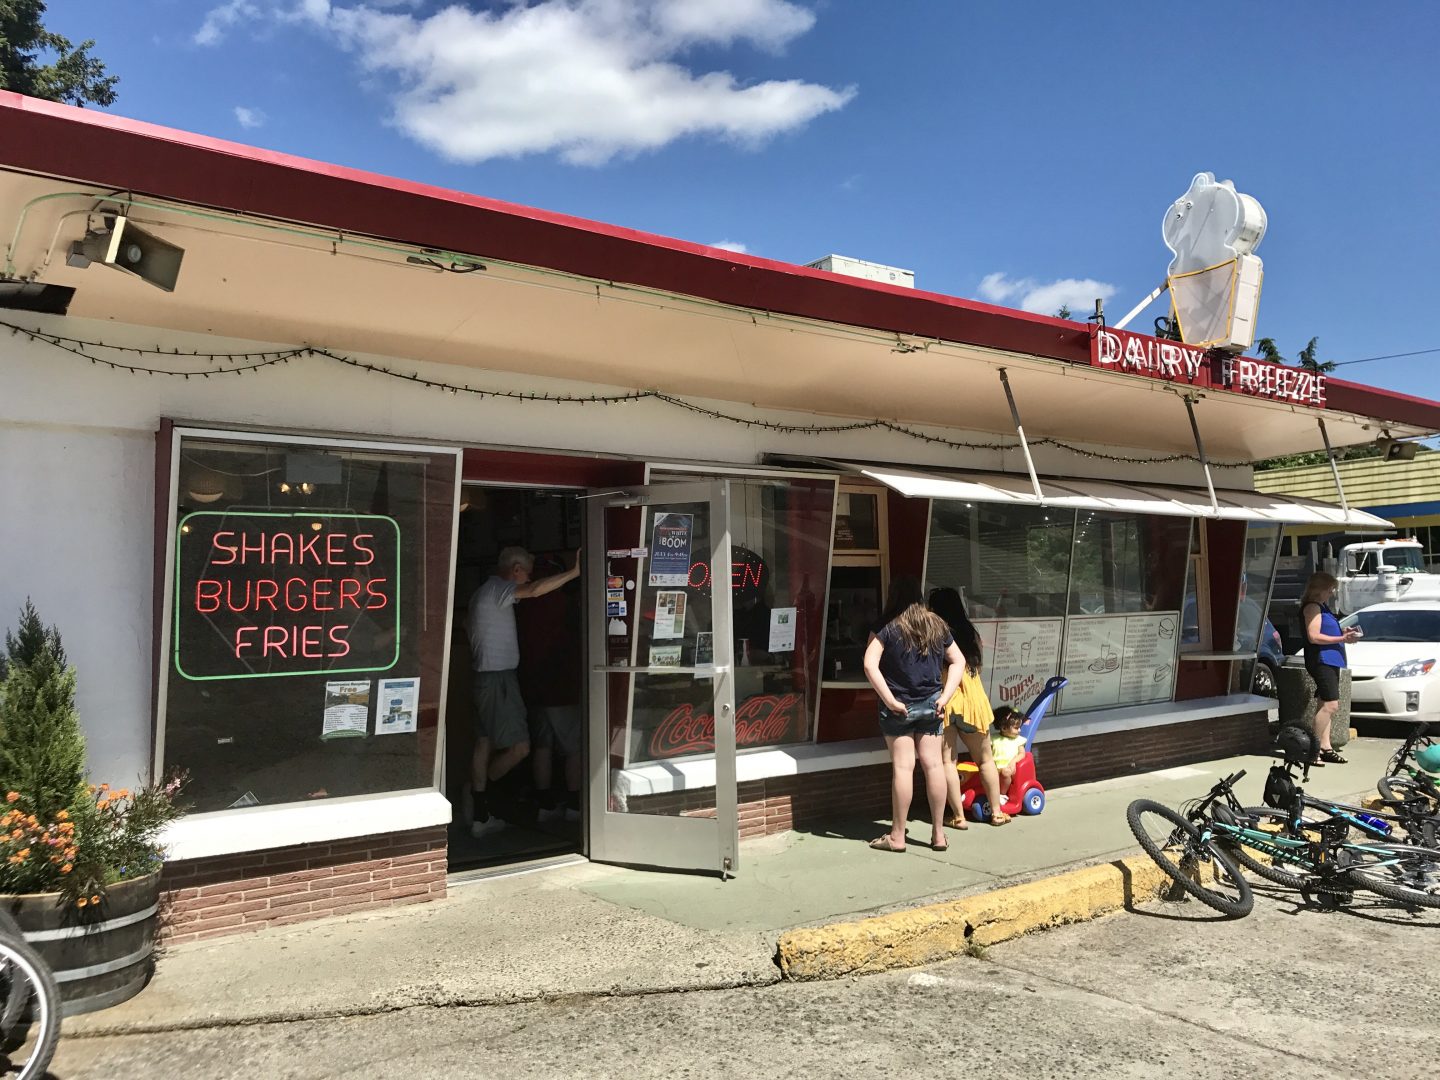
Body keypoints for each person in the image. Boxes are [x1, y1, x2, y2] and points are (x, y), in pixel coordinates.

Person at [466, 546, 580, 838]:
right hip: (499, 681)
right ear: (516, 569)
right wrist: (575, 572)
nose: (528, 578)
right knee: (521, 748)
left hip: (482, 678)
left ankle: (480, 812)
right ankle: (480, 795)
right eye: (526, 573)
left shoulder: (482, 593)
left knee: (484, 743)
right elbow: (536, 590)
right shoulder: (500, 590)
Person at [863, 578, 964, 853]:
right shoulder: (936, 624)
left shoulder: (887, 626)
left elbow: (869, 664)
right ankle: (939, 834)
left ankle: (897, 836)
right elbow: (959, 660)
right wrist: (945, 697)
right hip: (932, 704)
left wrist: (889, 700)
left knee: (903, 768)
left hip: (899, 707)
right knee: (934, 766)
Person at [928, 587, 1009, 828]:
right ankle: (996, 812)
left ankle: (958, 817)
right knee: (985, 760)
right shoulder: (969, 632)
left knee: (947, 762)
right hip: (973, 700)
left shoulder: (934, 635)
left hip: (945, 699)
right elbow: (979, 665)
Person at [1300, 571, 1359, 767]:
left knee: (1325, 703)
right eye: (1330, 589)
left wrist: (1343, 632)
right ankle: (1313, 750)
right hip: (1322, 659)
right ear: (1320, 590)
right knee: (1331, 705)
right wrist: (1342, 639)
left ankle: (1326, 747)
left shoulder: (1323, 608)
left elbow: (1325, 630)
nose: (1332, 593)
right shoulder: (1312, 607)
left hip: (1332, 660)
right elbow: (1313, 636)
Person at [990, 706, 1026, 802]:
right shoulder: (993, 738)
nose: (1019, 731)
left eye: (1019, 728)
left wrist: (1013, 761)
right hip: (995, 767)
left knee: (1005, 773)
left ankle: (1002, 794)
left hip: (1010, 767)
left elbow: (1022, 754)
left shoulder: (1018, 740)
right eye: (1016, 728)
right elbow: (988, 752)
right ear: (1004, 728)